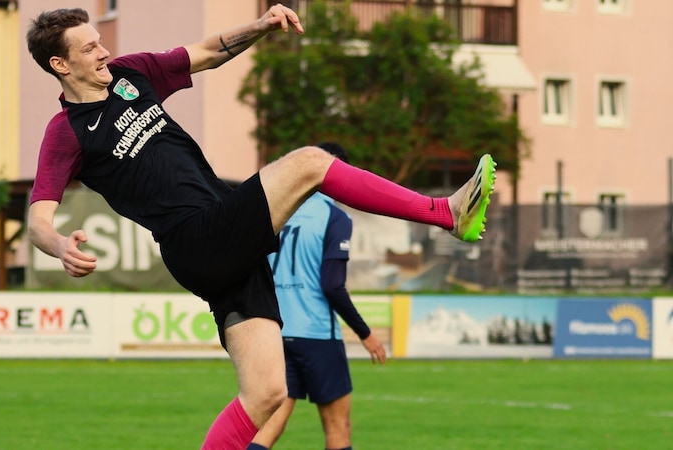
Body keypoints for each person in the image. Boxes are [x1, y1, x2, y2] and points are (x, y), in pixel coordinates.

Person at [25, 5, 496, 450]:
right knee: (310, 162)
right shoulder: (66, 131)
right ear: (60, 65)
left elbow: (207, 52)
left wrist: (262, 25)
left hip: (224, 241)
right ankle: (445, 214)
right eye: (88, 48)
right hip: (195, 240)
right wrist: (60, 244)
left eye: (100, 41)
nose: (103, 51)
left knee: (268, 392)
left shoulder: (132, 74)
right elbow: (38, 220)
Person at [251, 143, 386, 450]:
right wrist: (366, 334)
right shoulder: (334, 217)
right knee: (339, 427)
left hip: (277, 335)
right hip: (317, 336)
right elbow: (332, 286)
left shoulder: (277, 212)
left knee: (269, 427)